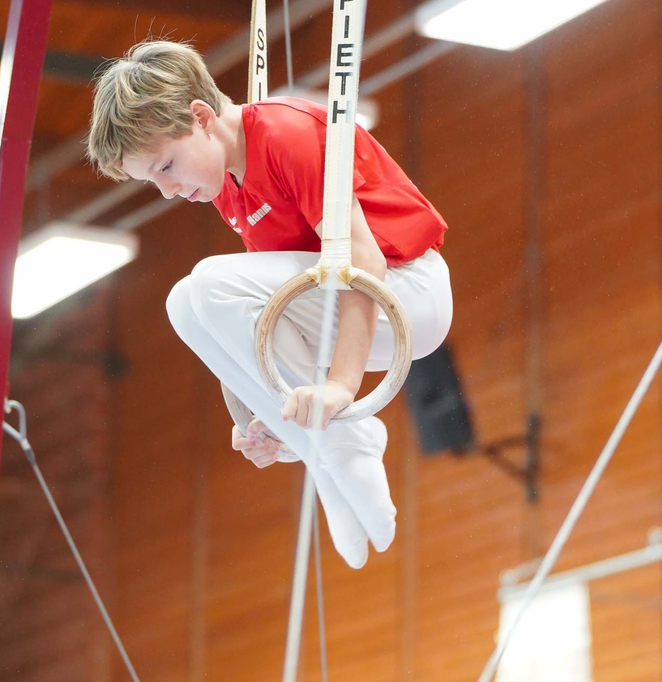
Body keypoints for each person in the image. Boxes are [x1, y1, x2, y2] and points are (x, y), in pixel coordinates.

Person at [86, 40, 452, 569]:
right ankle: (322, 457)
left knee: (207, 283)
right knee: (185, 302)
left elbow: (363, 267)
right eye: (153, 181)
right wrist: (259, 420)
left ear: (202, 116)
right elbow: (262, 318)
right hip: (347, 307)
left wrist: (341, 389)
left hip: (407, 289)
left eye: (166, 166)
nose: (167, 191)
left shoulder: (287, 135)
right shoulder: (227, 186)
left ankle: (344, 442)